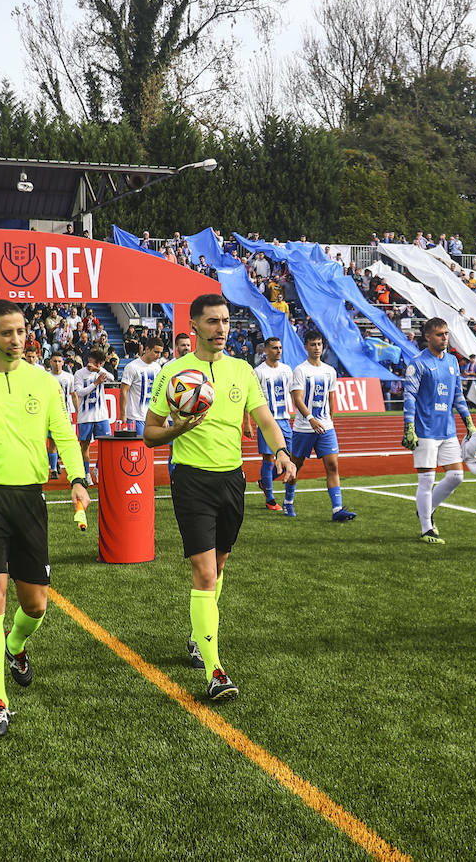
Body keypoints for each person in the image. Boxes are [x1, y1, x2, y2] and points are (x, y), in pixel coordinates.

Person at [0, 300, 90, 737]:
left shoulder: (43, 383)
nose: (17, 339)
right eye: (7, 332)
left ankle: (16, 646)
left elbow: (63, 432)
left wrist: (78, 477)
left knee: (35, 603)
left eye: (22, 331)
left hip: (30, 500)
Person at [143, 293, 296, 701]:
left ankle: (198, 636)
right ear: (194, 326)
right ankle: (214, 670)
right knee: (205, 573)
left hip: (232, 480)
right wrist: (182, 428)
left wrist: (281, 450)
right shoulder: (174, 374)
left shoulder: (243, 370)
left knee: (220, 564)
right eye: (212, 321)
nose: (222, 328)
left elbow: (264, 418)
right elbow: (149, 433)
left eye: (226, 320)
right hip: (191, 480)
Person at [401, 317, 476, 544]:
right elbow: (409, 396)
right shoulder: (418, 363)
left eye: (446, 334)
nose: (445, 338)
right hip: (425, 431)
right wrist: (409, 428)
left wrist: (469, 423)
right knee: (427, 480)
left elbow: (457, 396)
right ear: (428, 337)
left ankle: (426, 509)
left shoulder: (453, 361)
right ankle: (426, 528)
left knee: (456, 476)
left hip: (448, 430)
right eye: (440, 334)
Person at [288, 330, 356, 521]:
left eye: (319, 344)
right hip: (304, 427)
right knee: (296, 465)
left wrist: (330, 421)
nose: (316, 348)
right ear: (306, 347)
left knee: (332, 465)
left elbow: (331, 398)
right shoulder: (301, 370)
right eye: (312, 344)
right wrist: (310, 418)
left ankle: (337, 510)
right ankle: (288, 501)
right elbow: (297, 399)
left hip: (325, 427)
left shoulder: (330, 371)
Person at [251, 336, 294, 511]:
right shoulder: (258, 372)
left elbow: (292, 393)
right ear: (266, 350)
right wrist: (248, 423)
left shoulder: (287, 370)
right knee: (268, 459)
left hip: (284, 420)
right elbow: (251, 398)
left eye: (280, 348)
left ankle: (264, 481)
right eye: (275, 348)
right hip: (267, 421)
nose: (278, 351)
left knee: (289, 458)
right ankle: (270, 499)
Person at [73, 350, 115, 480]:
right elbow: (79, 393)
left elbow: (113, 378)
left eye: (100, 363)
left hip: (101, 415)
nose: (97, 365)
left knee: (106, 445)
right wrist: (95, 383)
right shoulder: (79, 373)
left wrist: (98, 370)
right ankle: (86, 473)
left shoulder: (100, 371)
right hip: (85, 416)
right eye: (96, 362)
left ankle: (97, 468)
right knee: (85, 445)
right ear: (90, 360)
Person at [120, 336, 164, 434]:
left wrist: (163, 416)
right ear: (147, 349)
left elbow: (159, 392)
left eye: (160, 353)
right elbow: (123, 391)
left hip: (151, 417)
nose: (158, 355)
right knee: (138, 448)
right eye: (156, 352)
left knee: (150, 448)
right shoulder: (132, 367)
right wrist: (123, 414)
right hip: (135, 416)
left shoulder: (157, 367)